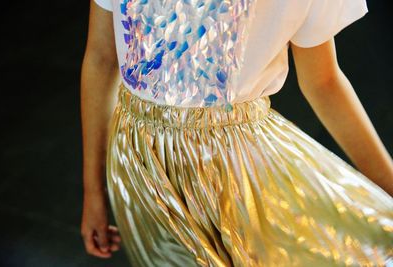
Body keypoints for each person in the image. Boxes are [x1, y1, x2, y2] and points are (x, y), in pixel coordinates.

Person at [80, 0, 393, 266]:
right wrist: (93, 190)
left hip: (240, 171)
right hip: (142, 167)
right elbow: (101, 57)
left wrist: (388, 186)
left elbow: (323, 82)